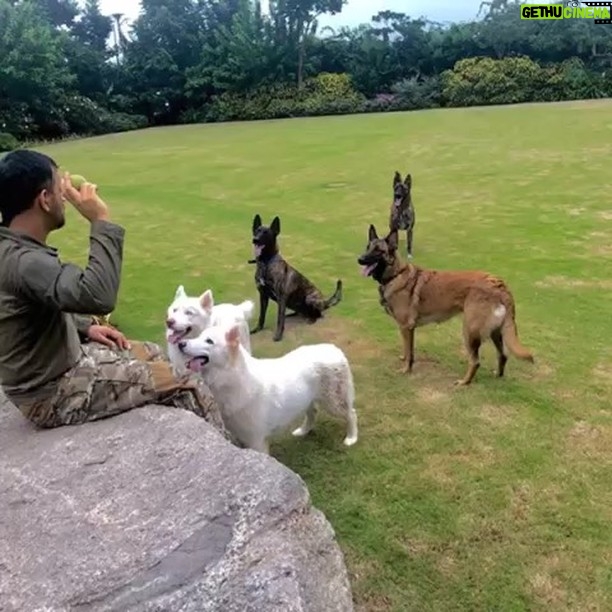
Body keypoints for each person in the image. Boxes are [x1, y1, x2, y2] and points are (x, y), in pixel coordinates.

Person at [0, 149, 226, 434]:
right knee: (187, 382)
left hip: (53, 369)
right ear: (44, 200)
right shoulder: (26, 260)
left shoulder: (11, 248)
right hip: (52, 392)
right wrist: (100, 220)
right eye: (60, 189)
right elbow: (98, 295)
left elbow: (35, 300)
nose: (65, 197)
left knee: (153, 352)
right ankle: (235, 463)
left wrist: (85, 327)